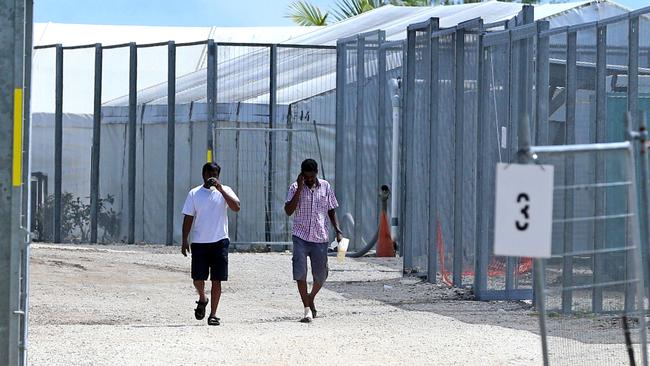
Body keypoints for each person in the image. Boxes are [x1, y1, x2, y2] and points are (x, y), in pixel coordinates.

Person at [181, 162, 240, 326]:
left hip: (220, 241)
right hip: (200, 242)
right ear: (203, 174)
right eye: (208, 174)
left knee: (217, 279)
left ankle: (213, 314)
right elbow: (188, 217)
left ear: (218, 175)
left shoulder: (224, 191)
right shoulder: (194, 193)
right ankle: (202, 297)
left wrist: (221, 189)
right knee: (197, 278)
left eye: (214, 174)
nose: (211, 177)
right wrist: (184, 239)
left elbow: (236, 207)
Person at [284, 158, 343, 323]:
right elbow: (288, 210)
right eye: (306, 177)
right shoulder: (295, 187)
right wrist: (299, 189)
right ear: (302, 174)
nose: (309, 180)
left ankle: (310, 297)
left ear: (316, 173)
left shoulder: (325, 186)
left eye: (312, 177)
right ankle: (307, 309)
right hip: (300, 236)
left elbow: (331, 210)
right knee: (300, 272)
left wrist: (338, 231)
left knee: (321, 274)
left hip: (320, 236)